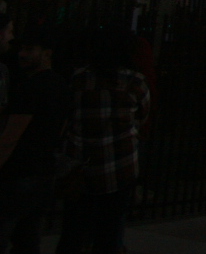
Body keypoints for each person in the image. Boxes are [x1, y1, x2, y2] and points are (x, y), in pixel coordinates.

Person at [60, 30, 152, 254]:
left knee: (73, 229)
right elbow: (143, 115)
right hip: (120, 163)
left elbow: (67, 115)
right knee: (110, 229)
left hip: (81, 162)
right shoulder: (134, 81)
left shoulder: (79, 78)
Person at [0, 27, 71, 254]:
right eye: (22, 49)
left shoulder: (30, 87)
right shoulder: (61, 85)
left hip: (18, 173)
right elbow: (62, 128)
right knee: (28, 240)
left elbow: (10, 137)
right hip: (44, 171)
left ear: (47, 53)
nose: (22, 54)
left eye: (29, 49)